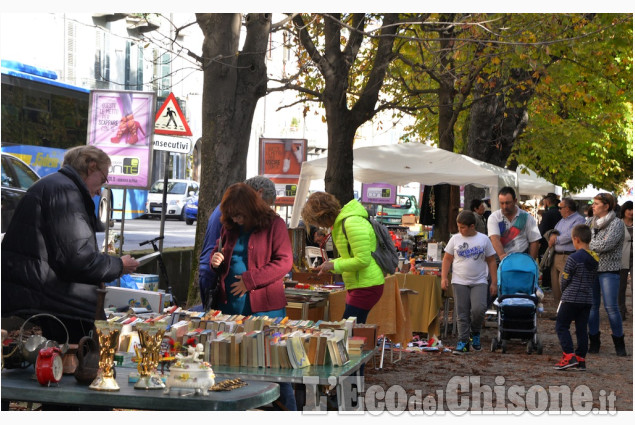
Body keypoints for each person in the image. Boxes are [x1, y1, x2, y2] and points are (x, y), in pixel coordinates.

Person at [1, 145, 139, 344]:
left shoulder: (54, 185)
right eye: (102, 179)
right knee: (86, 351)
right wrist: (119, 265)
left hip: (33, 287)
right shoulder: (65, 192)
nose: (100, 190)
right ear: (91, 167)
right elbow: (78, 259)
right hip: (49, 294)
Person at [209, 182, 296, 410]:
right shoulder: (229, 226)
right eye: (232, 216)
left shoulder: (273, 224)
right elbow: (220, 251)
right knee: (231, 366)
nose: (236, 220)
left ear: (250, 208)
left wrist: (250, 281)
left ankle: (288, 412)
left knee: (274, 367)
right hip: (231, 307)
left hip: (266, 309)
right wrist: (215, 261)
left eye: (240, 215)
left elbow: (285, 262)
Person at [301, 192, 385, 324]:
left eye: (317, 222)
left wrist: (333, 265)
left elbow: (362, 260)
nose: (320, 226)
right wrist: (330, 264)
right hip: (360, 284)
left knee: (348, 332)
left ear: (323, 215)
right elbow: (351, 257)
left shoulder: (351, 223)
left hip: (366, 285)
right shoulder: (344, 223)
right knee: (351, 330)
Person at [198, 176, 277, 309]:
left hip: (210, 272)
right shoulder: (234, 211)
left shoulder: (230, 206)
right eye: (266, 205)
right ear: (259, 193)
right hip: (213, 276)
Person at [441, 211, 498, 354]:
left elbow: (491, 261)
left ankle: (475, 333)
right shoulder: (455, 239)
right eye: (458, 227)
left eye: (463, 227)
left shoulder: (483, 239)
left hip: (479, 280)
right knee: (462, 312)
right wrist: (444, 277)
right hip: (459, 280)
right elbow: (447, 258)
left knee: (478, 309)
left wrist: (494, 282)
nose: (460, 230)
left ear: (472, 226)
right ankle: (463, 341)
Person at [553, 224, 598, 371]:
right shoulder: (595, 258)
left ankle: (568, 355)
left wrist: (564, 291)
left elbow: (565, 278)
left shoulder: (573, 258)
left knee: (561, 325)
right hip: (587, 299)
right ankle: (581, 358)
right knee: (581, 329)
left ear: (576, 239)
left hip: (571, 297)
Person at [587, 193, 626, 356]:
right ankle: (594, 342)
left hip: (609, 270)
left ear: (606, 206)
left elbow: (606, 244)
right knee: (592, 307)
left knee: (611, 307)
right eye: (593, 203)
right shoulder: (589, 222)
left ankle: (619, 344)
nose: (593, 206)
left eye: (596, 203)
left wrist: (588, 244)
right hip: (592, 268)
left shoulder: (617, 224)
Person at [546, 198, 586, 312]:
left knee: (565, 285)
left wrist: (556, 239)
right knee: (556, 287)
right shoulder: (561, 221)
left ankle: (569, 311)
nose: (559, 210)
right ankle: (559, 311)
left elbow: (571, 235)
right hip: (556, 255)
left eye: (560, 208)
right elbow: (555, 232)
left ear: (567, 208)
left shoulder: (579, 220)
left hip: (568, 256)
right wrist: (552, 237)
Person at [487, 186, 541, 260]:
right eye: (501, 203)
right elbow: (494, 238)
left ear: (515, 201)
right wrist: (503, 257)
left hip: (522, 258)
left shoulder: (527, 217)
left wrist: (531, 262)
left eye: (507, 203)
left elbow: (534, 241)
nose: (504, 206)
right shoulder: (494, 217)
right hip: (501, 261)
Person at [538, 193, 562, 293]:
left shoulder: (547, 214)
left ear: (547, 202)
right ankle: (553, 284)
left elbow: (542, 230)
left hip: (546, 242)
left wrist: (538, 241)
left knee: (546, 262)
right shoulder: (560, 212)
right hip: (560, 243)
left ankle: (546, 284)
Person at [619, 201, 633, 321]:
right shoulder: (618, 223)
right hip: (622, 257)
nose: (631, 212)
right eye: (629, 209)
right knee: (621, 286)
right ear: (624, 210)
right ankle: (621, 311)